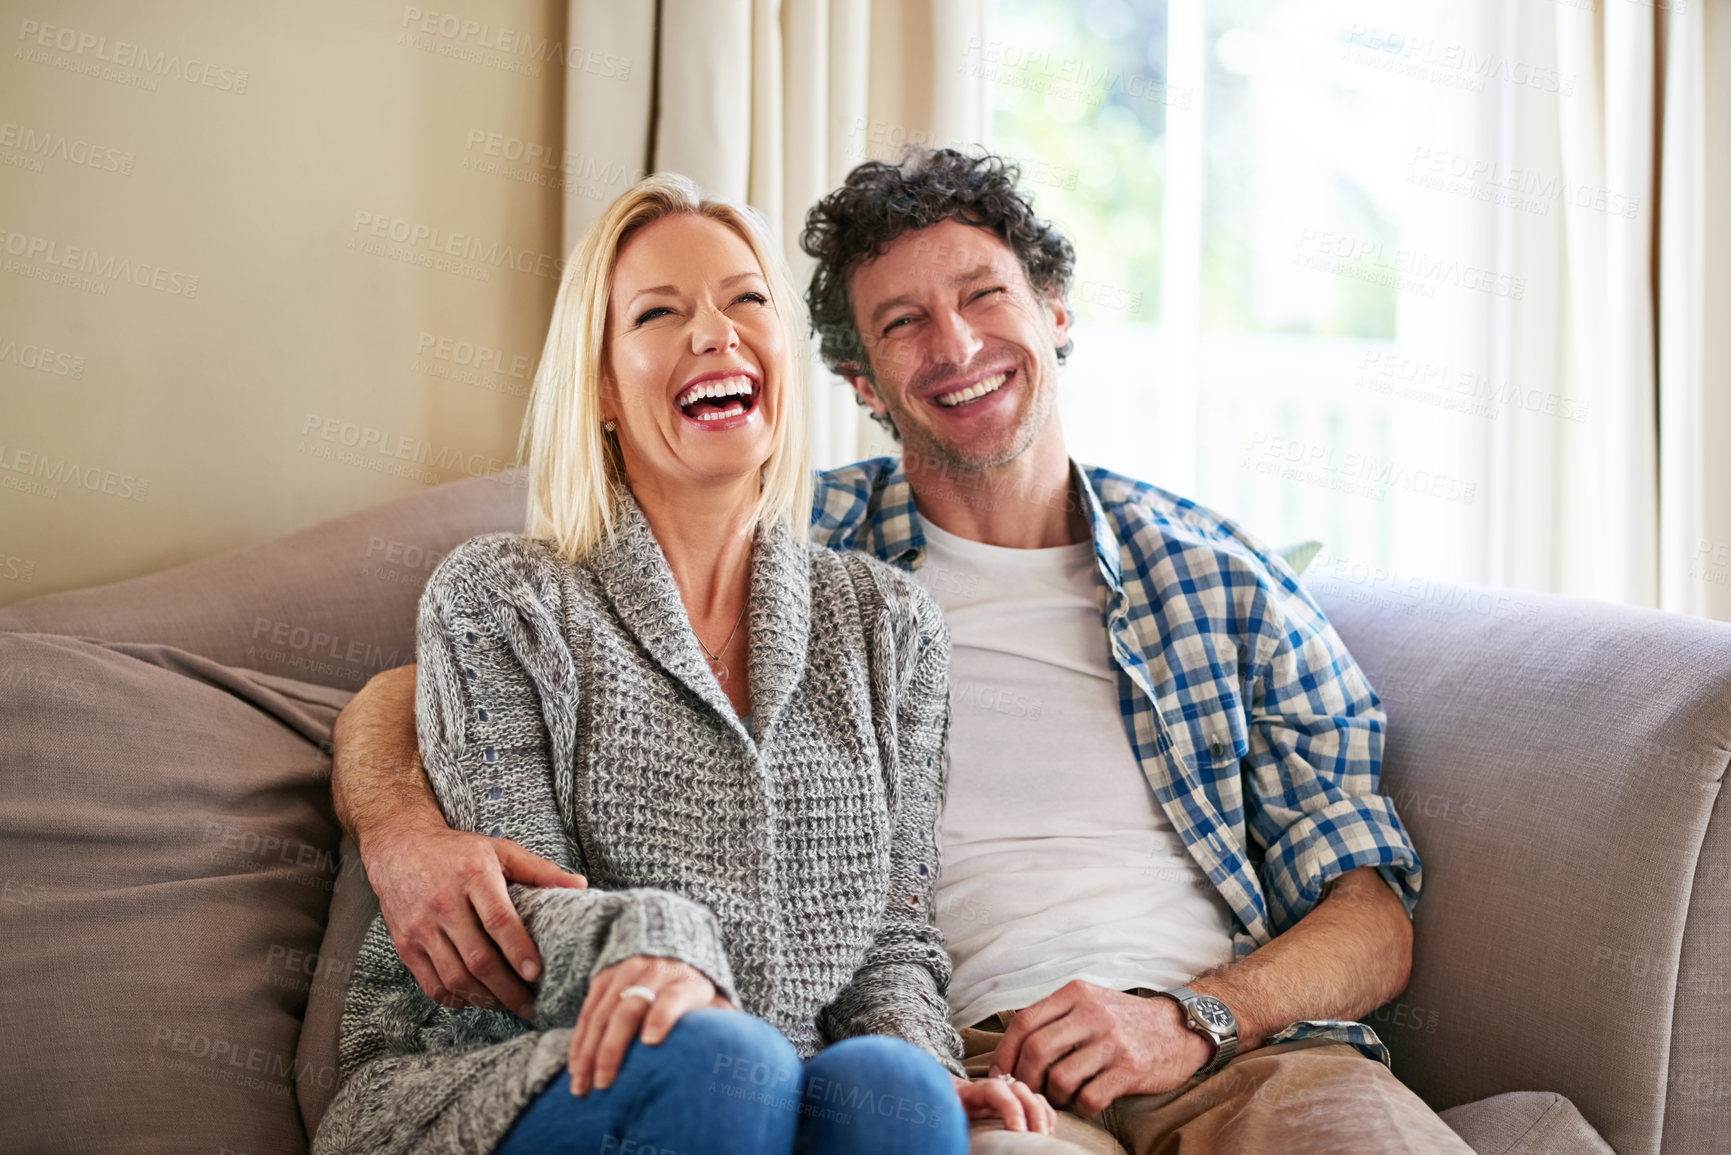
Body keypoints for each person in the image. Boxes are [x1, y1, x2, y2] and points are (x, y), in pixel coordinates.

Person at [331, 149, 1470, 1154]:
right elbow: (424, 693)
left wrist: (1191, 1015)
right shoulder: (773, 545)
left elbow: (1369, 908)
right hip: (990, 1056)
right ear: (860, 384)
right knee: (817, 1082)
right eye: (903, 323)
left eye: (983, 295)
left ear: (1056, 309)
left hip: (1234, 1052)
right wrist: (401, 825)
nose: (958, 343)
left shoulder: (1207, 578)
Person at [313, 172, 1051, 1155]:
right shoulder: (499, 598)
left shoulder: (890, 626)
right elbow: (517, 908)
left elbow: (893, 944)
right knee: (717, 1060)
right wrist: (670, 952)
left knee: (892, 1089)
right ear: (606, 389)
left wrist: (928, 1061)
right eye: (661, 313)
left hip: (782, 1081)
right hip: (511, 1069)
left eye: (747, 300)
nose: (717, 333)